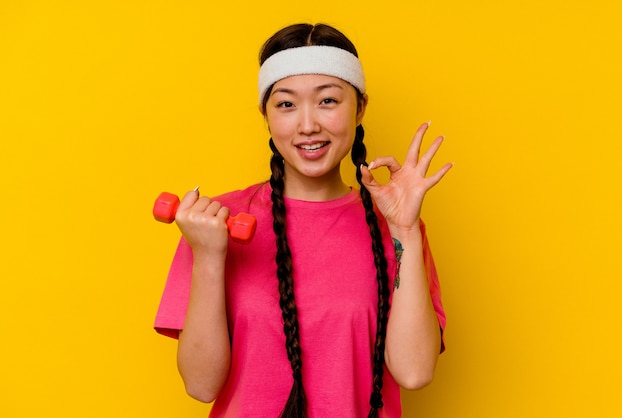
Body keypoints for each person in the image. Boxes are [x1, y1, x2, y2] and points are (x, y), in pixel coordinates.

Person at [154, 22, 452, 418]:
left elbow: (414, 372)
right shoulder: (212, 224)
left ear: (360, 107)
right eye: (286, 104)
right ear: (266, 115)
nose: (308, 125)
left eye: (328, 101)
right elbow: (200, 384)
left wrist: (406, 231)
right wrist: (209, 256)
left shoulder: (396, 228)